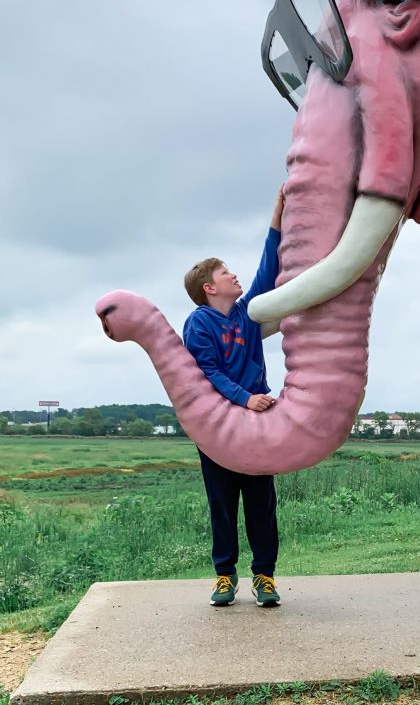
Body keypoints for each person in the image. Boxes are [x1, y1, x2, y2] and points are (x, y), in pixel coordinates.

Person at [182, 187, 286, 608]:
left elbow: (270, 264)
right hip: (218, 428)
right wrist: (245, 398)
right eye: (226, 273)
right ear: (210, 287)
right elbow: (208, 372)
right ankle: (225, 577)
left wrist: (278, 212)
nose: (235, 276)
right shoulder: (198, 324)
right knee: (222, 505)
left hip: (256, 421)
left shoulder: (248, 312)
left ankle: (265, 577)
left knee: (261, 504)